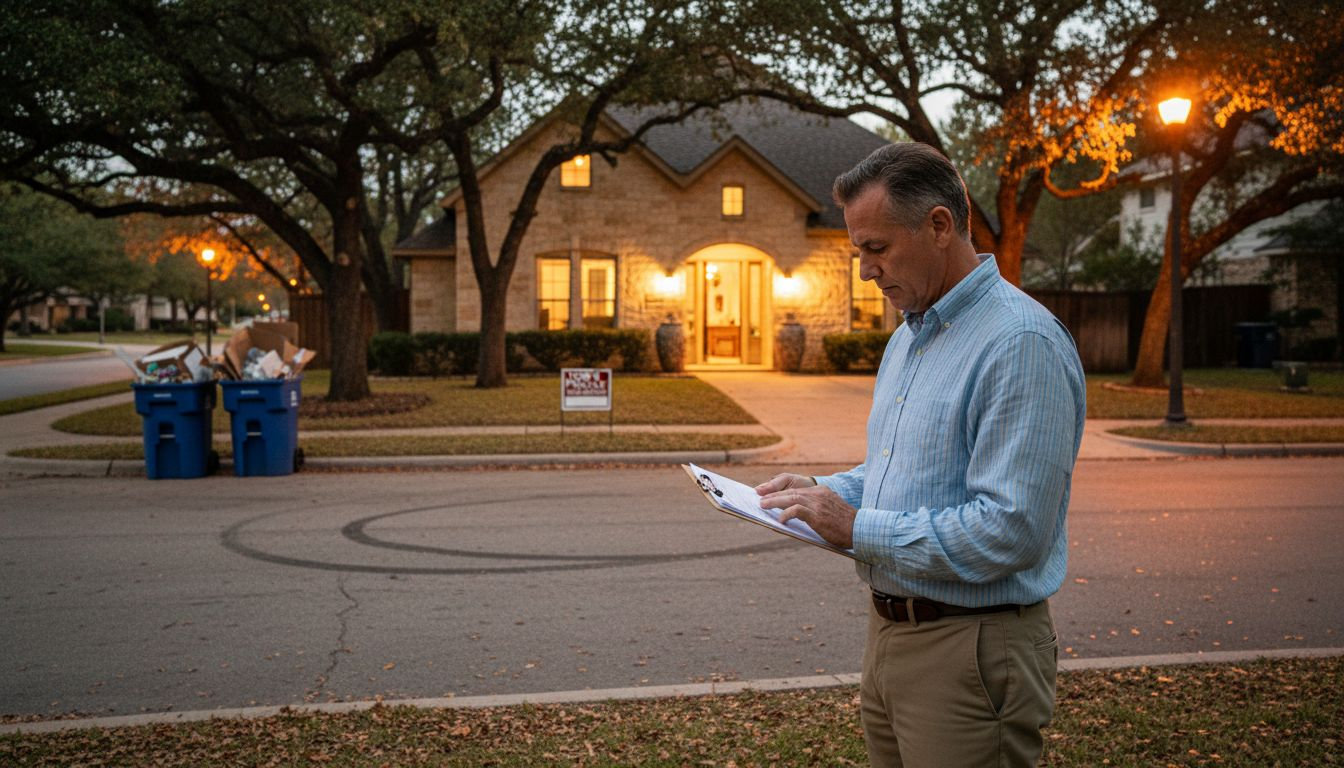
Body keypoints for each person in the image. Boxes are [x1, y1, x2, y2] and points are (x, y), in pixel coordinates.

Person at [756, 142, 1086, 767]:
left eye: (876, 249)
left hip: (971, 646)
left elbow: (1012, 531)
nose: (865, 271)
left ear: (939, 225)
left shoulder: (1020, 342)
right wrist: (819, 494)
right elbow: (902, 473)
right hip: (891, 635)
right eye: (859, 251)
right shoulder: (910, 337)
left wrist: (854, 526)